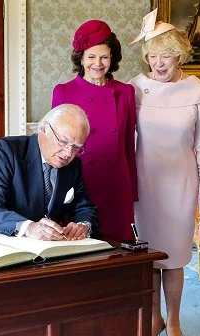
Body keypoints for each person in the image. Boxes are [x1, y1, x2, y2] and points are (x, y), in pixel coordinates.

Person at [128, 9, 200, 336]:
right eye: (151, 55)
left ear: (179, 55)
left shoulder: (197, 90)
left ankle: (175, 319)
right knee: (148, 257)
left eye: (165, 55)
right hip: (144, 184)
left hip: (181, 184)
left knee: (175, 258)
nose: (157, 63)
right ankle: (154, 319)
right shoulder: (136, 88)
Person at [52, 19, 137, 242]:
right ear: (80, 58)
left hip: (116, 185)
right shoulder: (63, 92)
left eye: (104, 57)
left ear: (112, 58)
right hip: (80, 185)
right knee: (80, 251)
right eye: (91, 57)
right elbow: (56, 147)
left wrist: (133, 190)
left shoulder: (125, 92)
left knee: (119, 250)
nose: (97, 64)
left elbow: (129, 146)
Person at [0, 104, 99, 241]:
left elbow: (84, 206)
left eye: (76, 147)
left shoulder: (73, 165)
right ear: (45, 129)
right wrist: (28, 227)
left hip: (39, 249)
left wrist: (83, 225)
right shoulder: (6, 151)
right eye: (63, 142)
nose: (68, 153)